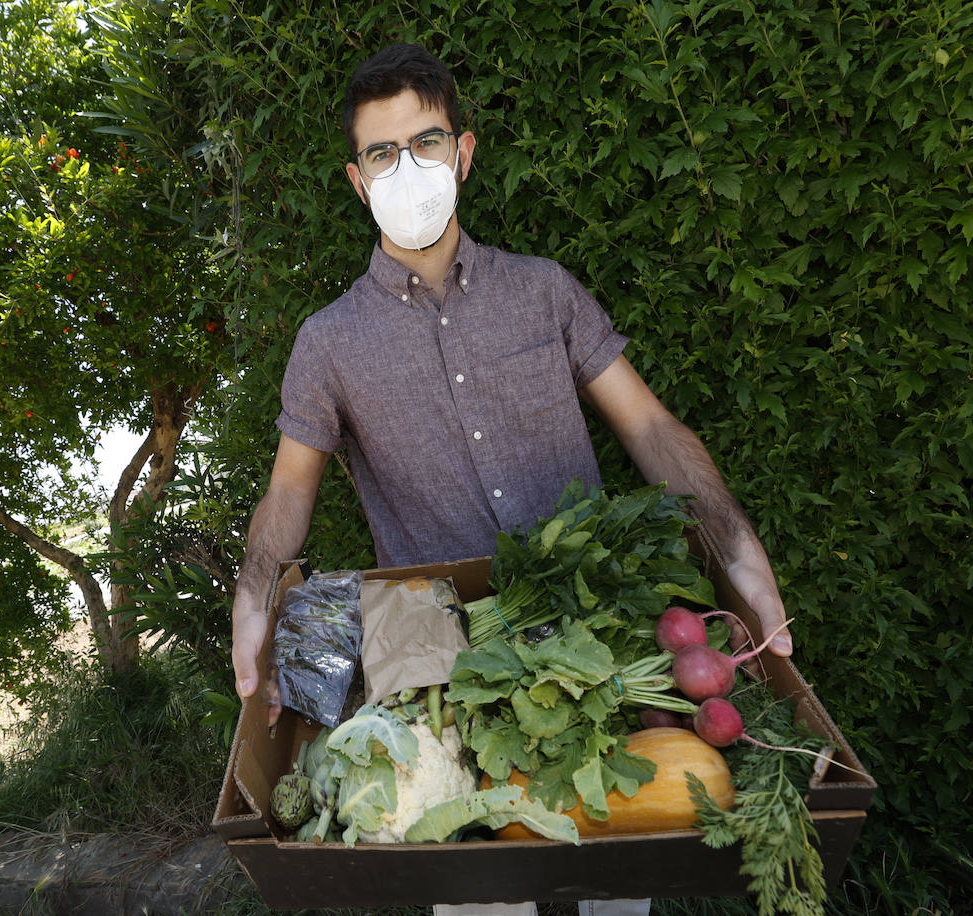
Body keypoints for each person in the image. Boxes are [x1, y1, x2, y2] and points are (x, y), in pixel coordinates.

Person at [229, 42, 793, 916]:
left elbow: (647, 425)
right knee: (480, 897)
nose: (407, 167)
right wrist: (256, 590)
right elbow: (290, 489)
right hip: (434, 658)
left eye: (426, 141)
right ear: (356, 180)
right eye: (383, 152)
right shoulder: (329, 342)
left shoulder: (545, 293)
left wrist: (736, 539)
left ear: (464, 153)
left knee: (609, 880)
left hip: (591, 630)